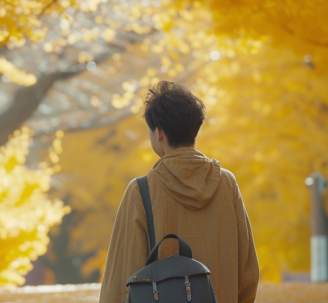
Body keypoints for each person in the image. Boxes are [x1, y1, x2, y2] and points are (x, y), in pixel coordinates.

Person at [99, 81, 259, 303]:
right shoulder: (227, 183)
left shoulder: (141, 191)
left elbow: (120, 281)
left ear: (160, 133)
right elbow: (247, 272)